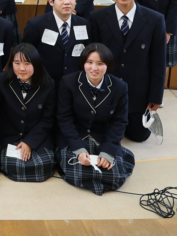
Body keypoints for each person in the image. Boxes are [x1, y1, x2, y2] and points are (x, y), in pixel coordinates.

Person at [89, 0, 166, 142]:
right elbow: (92, 60)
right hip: (107, 91)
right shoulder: (97, 18)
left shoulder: (155, 20)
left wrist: (156, 97)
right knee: (101, 136)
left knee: (139, 136)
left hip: (138, 93)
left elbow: (159, 62)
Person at [57, 43, 135, 196]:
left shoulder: (120, 87)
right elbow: (64, 118)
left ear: (108, 65)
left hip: (103, 137)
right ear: (83, 63)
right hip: (75, 137)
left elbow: (120, 122)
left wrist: (108, 152)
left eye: (100, 63)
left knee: (114, 175)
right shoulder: (68, 82)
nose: (94, 68)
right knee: (78, 172)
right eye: (89, 62)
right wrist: (78, 149)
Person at [0, 43, 56, 182]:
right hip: (9, 136)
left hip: (37, 137)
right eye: (17, 63)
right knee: (14, 165)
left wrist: (29, 142)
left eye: (27, 63)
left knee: (44, 164)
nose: (22, 68)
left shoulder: (48, 84)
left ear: (36, 64)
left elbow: (47, 119)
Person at [22, 0, 91, 83]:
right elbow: (26, 55)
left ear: (76, 0)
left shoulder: (84, 24)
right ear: (51, 1)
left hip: (75, 82)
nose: (67, 2)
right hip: (45, 82)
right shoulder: (36, 25)